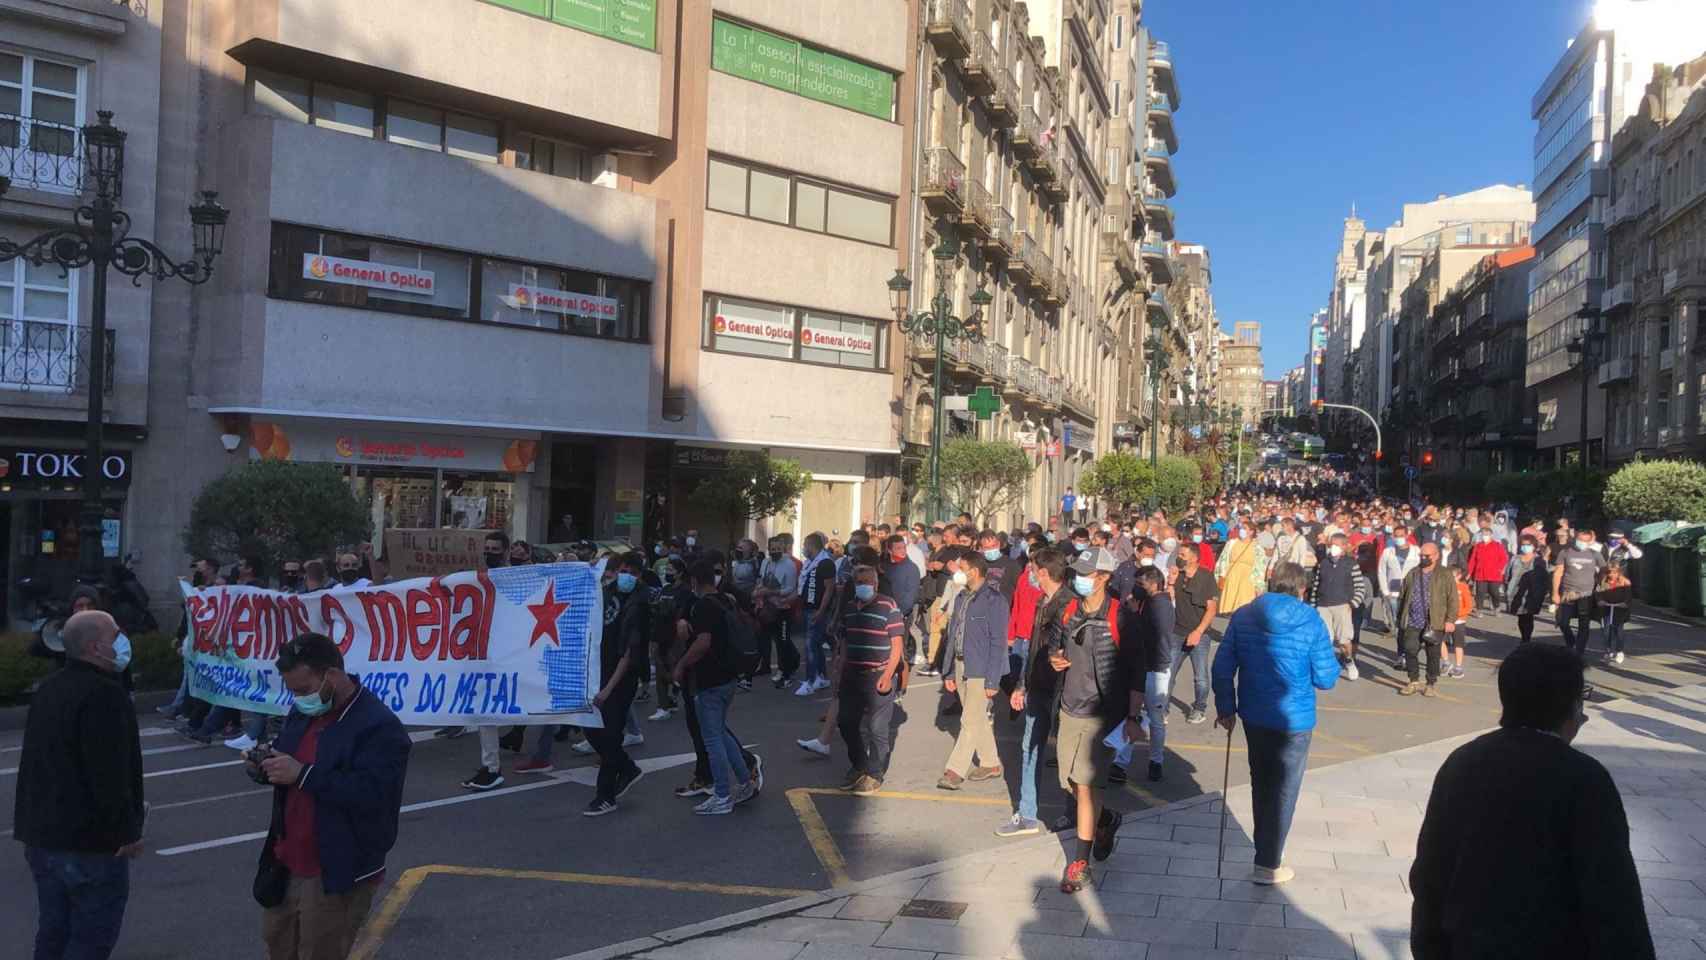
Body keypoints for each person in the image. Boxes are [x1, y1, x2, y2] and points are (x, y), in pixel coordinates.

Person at [1409, 644, 1655, 959]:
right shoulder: (1585, 780)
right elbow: (1612, 898)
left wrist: (1430, 948)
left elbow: (1430, 874)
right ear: (1571, 706)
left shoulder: (1463, 762)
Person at [251, 632, 410, 960]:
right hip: (287, 861)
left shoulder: (379, 727)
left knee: (321, 952)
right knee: (278, 944)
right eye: (292, 691)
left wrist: (302, 774)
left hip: (337, 870)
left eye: (304, 689)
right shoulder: (303, 712)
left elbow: (373, 794)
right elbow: (289, 758)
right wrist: (266, 765)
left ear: (332, 676)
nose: (299, 699)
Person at [15, 611, 143, 960]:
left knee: (53, 932)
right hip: (89, 844)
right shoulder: (105, 695)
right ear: (94, 646)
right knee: (90, 940)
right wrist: (127, 832)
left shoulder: (49, 688)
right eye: (116, 635)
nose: (122, 641)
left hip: (42, 836)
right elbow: (109, 775)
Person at [1211, 561, 1338, 886]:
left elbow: (1222, 666)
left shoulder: (1243, 614)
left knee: (1262, 782)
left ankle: (1265, 854)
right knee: (1285, 788)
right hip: (1294, 719)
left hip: (1254, 714)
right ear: (1301, 588)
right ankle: (1269, 861)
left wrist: (1226, 706)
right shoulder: (1311, 620)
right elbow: (1325, 679)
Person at [1055, 548, 1129, 893]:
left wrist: (1133, 715)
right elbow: (1054, 646)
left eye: (1087, 573)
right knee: (1071, 783)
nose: (1079, 579)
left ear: (1104, 577)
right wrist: (1052, 659)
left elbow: (1137, 667)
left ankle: (1079, 864)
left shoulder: (1120, 616)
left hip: (1101, 715)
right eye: (1078, 573)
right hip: (1068, 707)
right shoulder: (1069, 609)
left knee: (1084, 786)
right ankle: (1106, 820)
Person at [997, 547, 1071, 839]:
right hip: (1037, 687)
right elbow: (1032, 649)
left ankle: (1074, 811)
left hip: (1062, 691)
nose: (1027, 575)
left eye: (1031, 569)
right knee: (1030, 747)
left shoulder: (1068, 604)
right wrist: (1021, 685)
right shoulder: (1042, 601)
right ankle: (1027, 814)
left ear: (1043, 572)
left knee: (1066, 756)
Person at [673, 562, 757, 815]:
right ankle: (745, 782)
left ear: (696, 582)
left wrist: (681, 664)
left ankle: (721, 795)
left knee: (712, 739)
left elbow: (703, 642)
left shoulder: (703, 606)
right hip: (729, 676)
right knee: (720, 733)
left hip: (710, 680)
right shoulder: (726, 600)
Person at [936, 551, 1007, 790]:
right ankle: (991, 763)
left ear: (974, 571)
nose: (958, 572)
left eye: (962, 567)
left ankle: (955, 770)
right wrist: (948, 672)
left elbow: (998, 642)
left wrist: (992, 680)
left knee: (968, 720)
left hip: (981, 668)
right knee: (977, 719)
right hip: (960, 664)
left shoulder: (995, 601)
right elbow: (953, 634)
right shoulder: (962, 597)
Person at [834, 565, 905, 795]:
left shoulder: (888, 606)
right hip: (852, 675)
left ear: (875, 583)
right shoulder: (849, 608)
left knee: (877, 728)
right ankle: (859, 765)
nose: (862, 585)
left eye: (866, 580)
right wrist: (838, 670)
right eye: (858, 581)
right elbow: (844, 643)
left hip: (879, 674)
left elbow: (897, 647)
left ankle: (874, 773)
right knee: (845, 722)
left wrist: (887, 675)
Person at [1126, 566, 1175, 783]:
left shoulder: (1160, 606)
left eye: (1141, 584)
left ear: (1154, 584)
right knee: (1132, 714)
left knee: (1155, 718)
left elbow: (1156, 635)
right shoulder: (1150, 603)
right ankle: (1121, 762)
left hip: (1155, 668)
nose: (1137, 588)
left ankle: (1156, 761)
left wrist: (1135, 615)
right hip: (1143, 665)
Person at [1395, 543, 1459, 697]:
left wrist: (1450, 619)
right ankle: (1413, 681)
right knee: (1409, 650)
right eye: (1421, 555)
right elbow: (1402, 596)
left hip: (1434, 621)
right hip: (1413, 620)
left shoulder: (1445, 574)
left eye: (1427, 556)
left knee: (1433, 654)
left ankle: (1430, 683)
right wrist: (1400, 617)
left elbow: (1453, 598)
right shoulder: (1413, 572)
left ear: (1436, 556)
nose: (1423, 558)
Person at [1168, 546, 1219, 724]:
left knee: (1201, 677)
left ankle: (1199, 708)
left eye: (1183, 555)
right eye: (1179, 554)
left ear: (1194, 558)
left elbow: (1211, 609)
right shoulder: (1178, 575)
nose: (1179, 557)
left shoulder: (1206, 577)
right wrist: (1171, 582)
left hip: (1199, 634)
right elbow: (1169, 601)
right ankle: (1162, 707)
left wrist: (1198, 632)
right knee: (1168, 673)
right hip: (1177, 632)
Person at [1309, 532, 1368, 681]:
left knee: (1344, 641)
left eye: (1336, 545)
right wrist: (1313, 605)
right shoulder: (1323, 563)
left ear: (1344, 546)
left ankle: (1349, 661)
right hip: (1323, 606)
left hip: (1342, 606)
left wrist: (1352, 604)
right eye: (1331, 544)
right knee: (1324, 640)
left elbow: (1360, 587)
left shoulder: (1351, 563)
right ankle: (1326, 668)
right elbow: (1316, 586)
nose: (1332, 547)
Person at [1551, 528, 1606, 657]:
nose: (1582, 542)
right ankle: (1571, 643)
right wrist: (1555, 593)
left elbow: (1604, 570)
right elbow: (1558, 572)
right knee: (1563, 622)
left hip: (1586, 594)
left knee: (1584, 623)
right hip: (1568, 593)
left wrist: (1600, 582)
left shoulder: (1595, 554)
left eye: (1585, 541)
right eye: (1580, 540)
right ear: (1575, 538)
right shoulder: (1565, 552)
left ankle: (1579, 651)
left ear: (1590, 541)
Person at [796, 533, 838, 697]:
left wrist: (821, 610)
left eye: (805, 545)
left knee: (810, 645)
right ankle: (821, 677)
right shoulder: (810, 563)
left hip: (817, 610)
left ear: (811, 545)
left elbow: (829, 588)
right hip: (809, 607)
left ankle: (810, 681)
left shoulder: (825, 562)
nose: (803, 549)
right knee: (815, 644)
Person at [1214, 520, 1267, 616]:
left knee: (1244, 605)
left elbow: (1260, 566)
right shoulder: (1231, 543)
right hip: (1232, 576)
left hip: (1247, 579)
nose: (1241, 530)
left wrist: (1259, 585)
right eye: (1241, 528)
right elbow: (1223, 559)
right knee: (1230, 607)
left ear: (1251, 531)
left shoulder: (1257, 548)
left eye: (1244, 528)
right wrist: (1221, 575)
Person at [1378, 527, 1421, 636]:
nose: (1398, 538)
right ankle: (1397, 630)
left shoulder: (1416, 551)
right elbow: (1381, 571)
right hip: (1394, 583)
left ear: (1407, 535)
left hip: (1411, 585)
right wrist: (1384, 590)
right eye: (1396, 536)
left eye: (1401, 536)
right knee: (1394, 608)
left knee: (1410, 608)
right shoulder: (1388, 551)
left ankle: (1409, 629)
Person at [1506, 536, 1548, 643]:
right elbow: (1508, 574)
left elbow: (1544, 576)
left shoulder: (1539, 560)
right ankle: (1524, 636)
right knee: (1521, 616)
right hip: (1516, 591)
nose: (1525, 547)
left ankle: (1526, 638)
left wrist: (1543, 591)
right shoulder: (1515, 559)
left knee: (1528, 615)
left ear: (1534, 546)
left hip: (1533, 592)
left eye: (1528, 545)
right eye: (1523, 544)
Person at [1596, 562, 1632, 666]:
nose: (1612, 575)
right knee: (1606, 631)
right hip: (1606, 610)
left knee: (1618, 631)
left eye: (1614, 573)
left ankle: (1619, 651)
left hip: (1619, 610)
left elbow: (1628, 597)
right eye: (1609, 573)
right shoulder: (1603, 582)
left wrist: (1624, 603)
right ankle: (1608, 650)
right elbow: (1598, 594)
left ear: (1619, 573)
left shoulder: (1625, 582)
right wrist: (1600, 601)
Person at [1465, 528, 1510, 612]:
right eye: (1483, 534)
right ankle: (1479, 609)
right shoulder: (1478, 546)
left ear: (1491, 535)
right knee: (1480, 593)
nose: (1485, 536)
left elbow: (1504, 558)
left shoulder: (1497, 545)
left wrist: (1499, 568)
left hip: (1494, 574)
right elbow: (1472, 560)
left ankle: (1496, 606)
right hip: (1480, 573)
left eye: (1487, 534)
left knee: (1494, 592)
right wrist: (1469, 572)